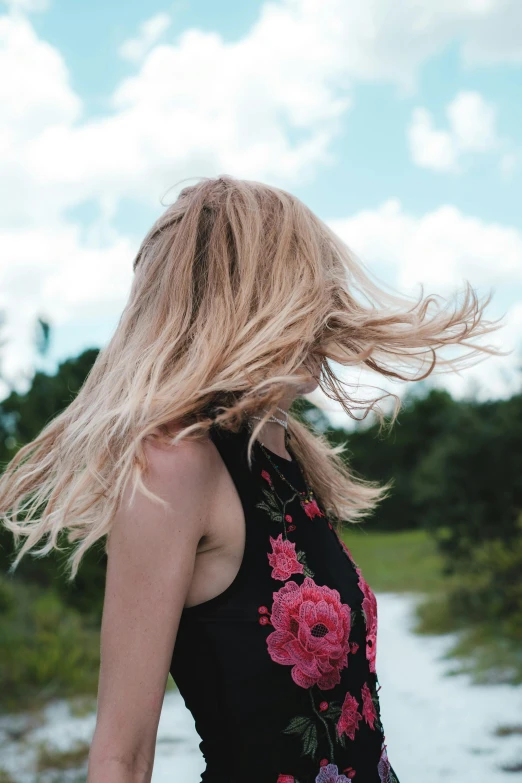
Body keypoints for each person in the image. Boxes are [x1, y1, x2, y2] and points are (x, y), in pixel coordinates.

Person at [0, 175, 503, 783]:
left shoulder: (279, 452)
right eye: (309, 284)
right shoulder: (177, 466)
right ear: (254, 296)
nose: (328, 307)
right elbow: (121, 757)